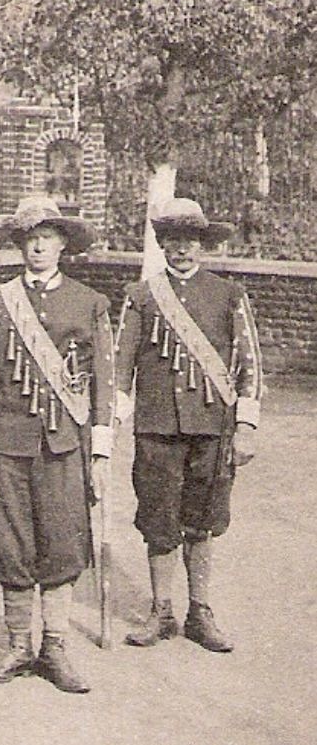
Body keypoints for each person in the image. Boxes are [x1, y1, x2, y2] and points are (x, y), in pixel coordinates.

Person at [0, 196, 115, 694]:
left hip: (63, 442)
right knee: (10, 542)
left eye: (48, 237)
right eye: (30, 238)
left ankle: (54, 646)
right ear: (19, 245)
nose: (39, 246)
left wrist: (100, 452)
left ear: (62, 244)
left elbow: (102, 386)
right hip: (5, 444)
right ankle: (17, 644)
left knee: (62, 540)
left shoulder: (90, 303)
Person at [113, 198, 262, 653]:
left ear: (203, 244)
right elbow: (121, 363)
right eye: (173, 240)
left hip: (211, 427)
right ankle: (161, 610)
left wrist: (247, 425)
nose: (182, 249)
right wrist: (112, 420)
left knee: (203, 519)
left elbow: (250, 363)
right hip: (156, 425)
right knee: (158, 517)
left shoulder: (228, 294)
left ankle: (200, 611)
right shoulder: (141, 296)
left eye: (191, 240)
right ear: (162, 245)